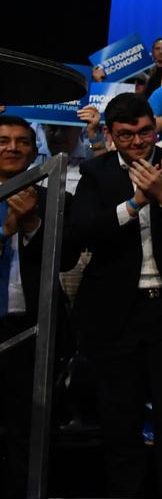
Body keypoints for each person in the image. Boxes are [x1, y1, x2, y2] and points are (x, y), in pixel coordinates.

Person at [63, 93, 162, 498]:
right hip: (116, 316)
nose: (138, 142)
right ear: (111, 137)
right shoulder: (96, 173)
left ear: (155, 127)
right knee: (120, 427)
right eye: (126, 135)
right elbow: (81, 231)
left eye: (145, 131)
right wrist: (134, 204)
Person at [0, 116, 72, 499]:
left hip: (33, 330)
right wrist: (7, 229)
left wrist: (32, 223)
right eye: (4, 140)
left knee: (28, 430)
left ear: (34, 149)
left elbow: (67, 258)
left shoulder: (54, 196)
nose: (12, 148)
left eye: (22, 142)